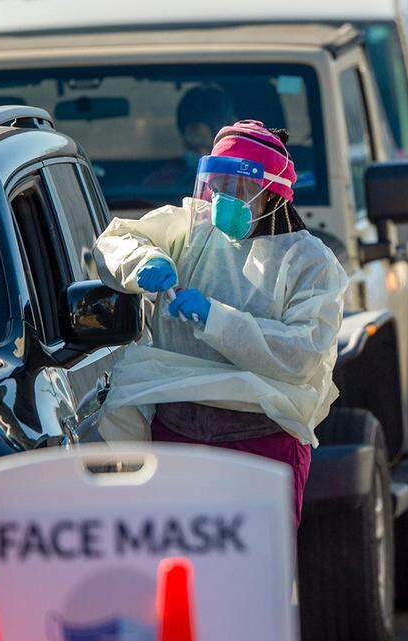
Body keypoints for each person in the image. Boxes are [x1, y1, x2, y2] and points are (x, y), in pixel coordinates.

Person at [94, 120, 347, 527]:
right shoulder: (192, 230)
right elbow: (116, 240)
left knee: (255, 573)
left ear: (273, 195)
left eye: (240, 188)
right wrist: (145, 260)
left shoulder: (308, 262)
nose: (224, 198)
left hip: (260, 437)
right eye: (219, 184)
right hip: (179, 430)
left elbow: (301, 354)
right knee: (178, 572)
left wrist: (216, 319)